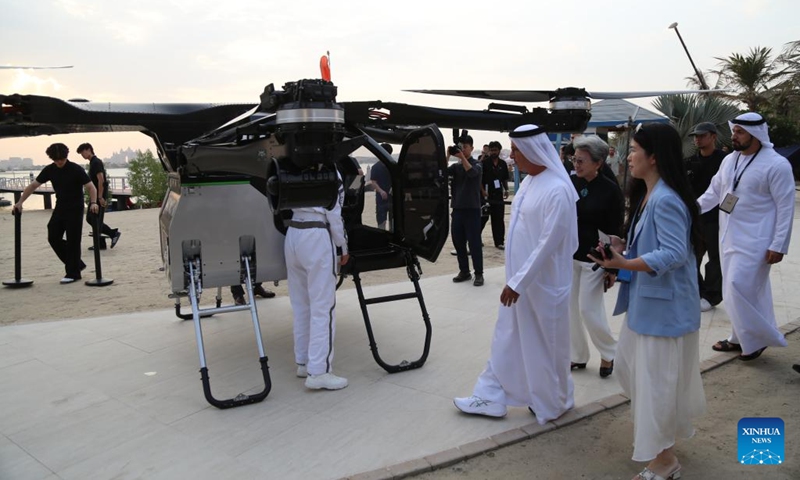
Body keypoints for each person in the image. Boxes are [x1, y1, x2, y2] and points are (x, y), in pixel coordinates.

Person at [589, 122, 706, 480]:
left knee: (655, 385)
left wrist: (623, 264)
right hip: (648, 306)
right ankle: (663, 443)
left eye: (635, 150)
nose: (629, 157)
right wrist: (624, 250)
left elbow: (672, 253)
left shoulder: (666, 199)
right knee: (632, 373)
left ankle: (665, 459)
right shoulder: (651, 195)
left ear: (653, 157)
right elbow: (659, 247)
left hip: (664, 311)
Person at [453, 124, 578, 423]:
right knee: (506, 338)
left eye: (518, 151)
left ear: (535, 151)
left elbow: (549, 243)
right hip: (520, 285)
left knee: (545, 347)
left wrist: (519, 282)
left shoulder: (557, 189)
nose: (514, 157)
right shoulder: (531, 183)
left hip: (541, 287)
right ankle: (491, 396)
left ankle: (553, 401)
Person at [698, 112, 795, 361]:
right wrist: (689, 210)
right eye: (734, 131)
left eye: (740, 132)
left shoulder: (776, 164)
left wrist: (779, 244)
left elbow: (785, 208)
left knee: (736, 287)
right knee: (738, 292)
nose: (734, 136)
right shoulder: (730, 160)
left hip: (759, 240)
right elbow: (713, 192)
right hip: (728, 236)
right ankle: (738, 337)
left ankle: (758, 339)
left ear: (756, 134)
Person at [284, 168, 350, 390]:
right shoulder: (330, 172)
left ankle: (303, 362)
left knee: (301, 305)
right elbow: (334, 212)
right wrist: (342, 245)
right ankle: (319, 371)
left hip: (293, 233)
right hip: (317, 234)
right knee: (323, 308)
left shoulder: (289, 166)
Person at [569, 135, 624, 378]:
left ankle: (610, 353)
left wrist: (613, 269)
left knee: (588, 309)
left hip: (595, 259)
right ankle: (577, 355)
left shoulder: (611, 191)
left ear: (598, 162)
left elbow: (616, 234)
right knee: (569, 309)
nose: (576, 164)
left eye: (581, 160)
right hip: (569, 255)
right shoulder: (571, 183)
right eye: (574, 159)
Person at [12, 143, 99, 283]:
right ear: (52, 158)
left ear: (66, 156)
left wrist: (94, 203)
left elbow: (91, 187)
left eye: (62, 159)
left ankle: (73, 273)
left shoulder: (75, 169)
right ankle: (77, 264)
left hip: (75, 208)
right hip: (60, 207)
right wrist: (20, 202)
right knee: (53, 235)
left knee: (73, 240)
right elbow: (34, 186)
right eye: (56, 159)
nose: (59, 162)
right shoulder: (50, 170)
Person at [684, 122, 726, 312]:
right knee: (691, 257)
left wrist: (726, 213)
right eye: (695, 135)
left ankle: (711, 296)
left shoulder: (725, 161)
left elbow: (733, 190)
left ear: (713, 137)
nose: (697, 138)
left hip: (717, 218)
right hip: (694, 218)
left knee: (715, 259)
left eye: (701, 135)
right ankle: (698, 292)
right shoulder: (689, 162)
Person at [448, 135, 484, 287]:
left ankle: (478, 274)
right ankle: (464, 271)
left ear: (472, 148)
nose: (463, 150)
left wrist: (462, 157)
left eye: (465, 147)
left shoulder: (477, 164)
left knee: (474, 243)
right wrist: (447, 155)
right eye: (461, 147)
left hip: (472, 210)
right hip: (457, 209)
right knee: (458, 242)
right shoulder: (456, 167)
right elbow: (441, 172)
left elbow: (472, 173)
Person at [77, 143, 121, 250]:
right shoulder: (93, 162)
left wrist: (100, 197)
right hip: (97, 194)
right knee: (94, 218)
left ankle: (112, 234)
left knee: (92, 218)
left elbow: (101, 180)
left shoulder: (96, 162)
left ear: (88, 150)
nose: (82, 155)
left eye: (82, 152)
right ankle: (101, 243)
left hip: (98, 195)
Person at [480, 141, 510, 249]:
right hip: (486, 195)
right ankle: (476, 238)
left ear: (499, 151)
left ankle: (499, 242)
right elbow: (479, 179)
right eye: (492, 150)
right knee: (483, 218)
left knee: (498, 219)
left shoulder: (502, 164)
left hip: (498, 195)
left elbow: (504, 179)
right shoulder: (484, 163)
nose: (493, 152)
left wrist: (506, 190)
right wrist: (482, 191)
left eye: (495, 150)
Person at [370, 143, 393, 230]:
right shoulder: (394, 165)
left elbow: (373, 182)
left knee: (383, 222)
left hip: (382, 198)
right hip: (386, 198)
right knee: (387, 222)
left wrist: (380, 191)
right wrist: (382, 191)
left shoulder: (375, 166)